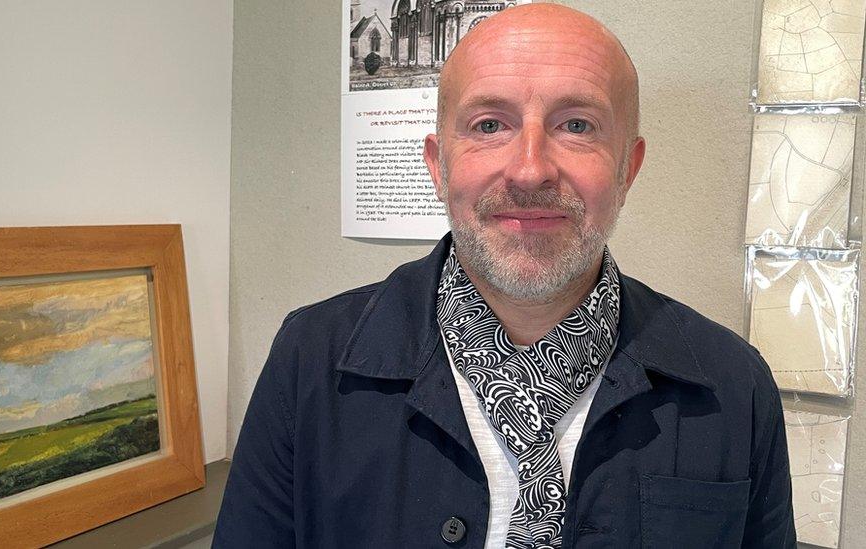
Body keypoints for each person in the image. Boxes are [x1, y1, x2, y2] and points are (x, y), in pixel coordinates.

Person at [214, 4, 796, 548]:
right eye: (490, 125)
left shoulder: (733, 389)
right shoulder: (309, 360)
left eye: (577, 125)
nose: (529, 169)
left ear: (628, 169)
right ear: (439, 166)